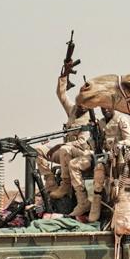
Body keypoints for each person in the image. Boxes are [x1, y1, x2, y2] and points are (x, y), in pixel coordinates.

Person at [36, 68, 95, 216]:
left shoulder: (90, 120)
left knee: (64, 149)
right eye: (79, 102)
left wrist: (61, 145)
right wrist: (63, 76)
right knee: (37, 150)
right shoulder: (73, 110)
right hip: (66, 154)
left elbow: (82, 142)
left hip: (82, 154)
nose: (81, 106)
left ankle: (66, 185)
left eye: (84, 103)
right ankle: (51, 184)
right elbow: (61, 95)